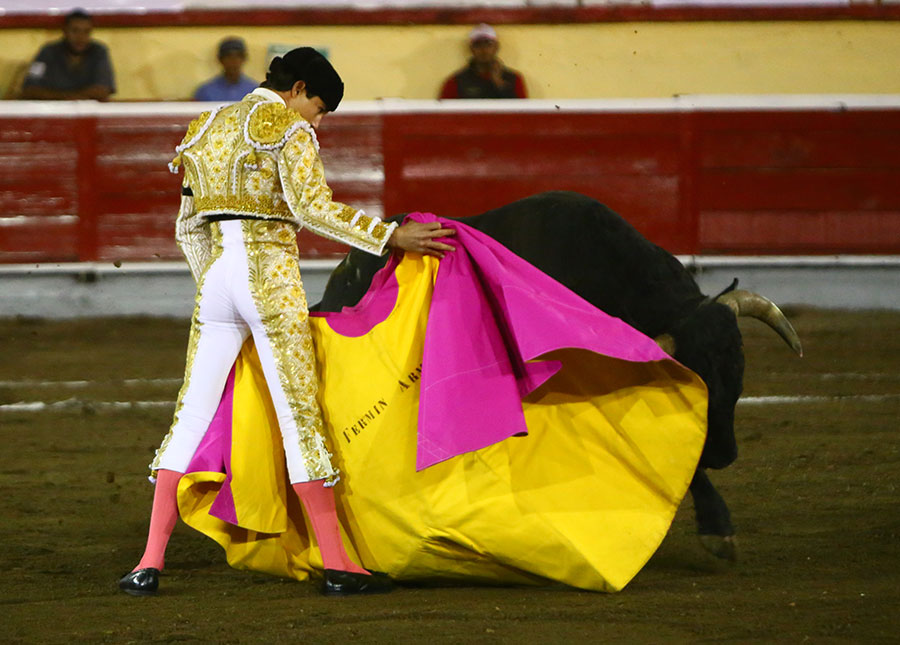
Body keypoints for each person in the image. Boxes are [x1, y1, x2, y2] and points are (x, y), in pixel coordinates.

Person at [118, 47, 455, 597]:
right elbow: (311, 209)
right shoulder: (289, 128)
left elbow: (187, 227)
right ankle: (340, 566)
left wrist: (214, 287)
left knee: (189, 415)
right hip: (269, 278)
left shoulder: (205, 127)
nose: (317, 122)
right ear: (297, 89)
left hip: (218, 279)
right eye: (318, 108)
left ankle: (148, 562)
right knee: (300, 415)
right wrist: (389, 236)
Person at [20, 9, 115, 101]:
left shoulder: (99, 52)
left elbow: (103, 90)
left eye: (86, 32)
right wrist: (68, 98)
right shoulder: (47, 52)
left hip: (89, 113)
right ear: (64, 30)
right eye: (75, 31)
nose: (80, 37)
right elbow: (30, 89)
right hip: (52, 112)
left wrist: (65, 97)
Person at [438, 23, 527, 100]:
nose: (483, 50)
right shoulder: (456, 82)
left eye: (488, 44)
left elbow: (523, 113)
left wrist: (500, 85)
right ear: (471, 49)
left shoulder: (514, 79)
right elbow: (444, 115)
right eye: (478, 45)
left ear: (496, 47)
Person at [193, 37, 259, 102]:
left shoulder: (254, 91)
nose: (234, 61)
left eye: (238, 57)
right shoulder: (206, 92)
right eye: (228, 57)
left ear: (244, 59)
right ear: (220, 60)